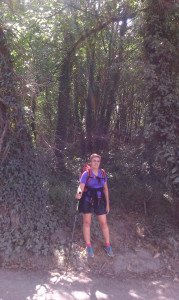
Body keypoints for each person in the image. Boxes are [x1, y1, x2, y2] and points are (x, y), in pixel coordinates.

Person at [76, 153, 114, 258]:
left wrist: (107, 204)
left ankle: (108, 245)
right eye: (94, 161)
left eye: (98, 161)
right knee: (87, 222)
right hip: (87, 198)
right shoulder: (86, 174)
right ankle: (88, 246)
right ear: (91, 162)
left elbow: (105, 189)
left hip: (99, 198)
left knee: (103, 223)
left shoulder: (102, 173)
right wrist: (78, 195)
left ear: (99, 163)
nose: (96, 163)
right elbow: (80, 187)